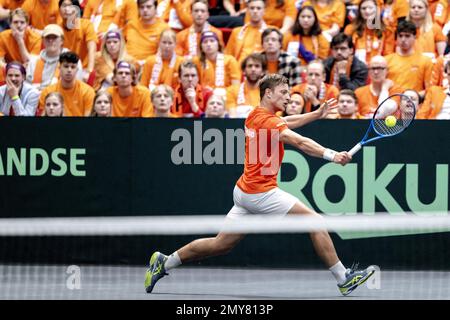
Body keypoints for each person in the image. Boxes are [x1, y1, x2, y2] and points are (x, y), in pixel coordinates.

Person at [145, 74, 375, 296]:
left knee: (220, 244)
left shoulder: (256, 115)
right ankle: (343, 278)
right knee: (314, 221)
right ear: (268, 93)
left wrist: (315, 114)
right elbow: (299, 141)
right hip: (261, 193)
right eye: (283, 92)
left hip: (244, 191)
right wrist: (332, 155)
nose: (287, 97)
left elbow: (287, 122)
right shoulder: (268, 121)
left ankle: (165, 262)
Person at [385, 20, 433, 99]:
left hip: (414, 104)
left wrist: (411, 97)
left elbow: (429, 90)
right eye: (400, 36)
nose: (403, 39)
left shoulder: (425, 61)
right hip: (391, 103)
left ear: (415, 37)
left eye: (407, 36)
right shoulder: (386, 60)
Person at [26, 24, 83, 90]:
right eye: (48, 37)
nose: (50, 40)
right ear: (43, 40)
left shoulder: (72, 60)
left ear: (62, 40)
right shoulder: (34, 61)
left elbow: (76, 85)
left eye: (54, 37)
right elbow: (28, 86)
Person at [38, 51, 95, 116]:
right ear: (59, 68)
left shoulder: (88, 92)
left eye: (73, 67)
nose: (69, 70)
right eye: (66, 66)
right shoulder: (47, 92)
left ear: (77, 69)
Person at [343, 0, 395, 64]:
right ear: (359, 11)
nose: (367, 11)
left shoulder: (387, 30)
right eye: (363, 8)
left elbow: (388, 55)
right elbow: (346, 52)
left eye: (370, 8)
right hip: (356, 69)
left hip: (378, 68)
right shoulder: (350, 29)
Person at [59, 0, 98, 83]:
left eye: (70, 6)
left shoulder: (86, 25)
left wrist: (89, 70)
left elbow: (92, 48)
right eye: (64, 6)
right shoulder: (57, 29)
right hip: (64, 70)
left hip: (84, 69)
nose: (66, 9)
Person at [193, 31, 241, 95]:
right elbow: (193, 84)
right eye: (205, 42)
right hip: (203, 95)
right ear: (201, 47)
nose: (208, 44)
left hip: (226, 96)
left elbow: (236, 86)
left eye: (212, 41)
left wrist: (219, 92)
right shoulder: (196, 62)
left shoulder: (230, 60)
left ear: (218, 44)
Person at [0, 8, 41, 76]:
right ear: (10, 24)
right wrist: (12, 69)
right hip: (9, 70)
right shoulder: (3, 36)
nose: (19, 26)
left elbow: (31, 63)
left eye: (22, 22)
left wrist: (20, 41)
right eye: (15, 22)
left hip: (28, 72)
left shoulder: (36, 38)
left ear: (27, 24)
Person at [226, 52, 265, 117]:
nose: (253, 69)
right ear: (244, 71)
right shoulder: (232, 90)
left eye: (257, 66)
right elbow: (232, 117)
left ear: (262, 72)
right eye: (250, 66)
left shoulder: (269, 93)